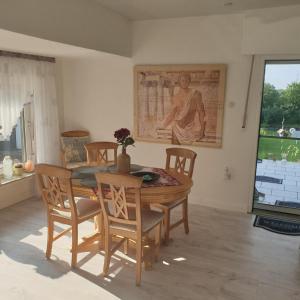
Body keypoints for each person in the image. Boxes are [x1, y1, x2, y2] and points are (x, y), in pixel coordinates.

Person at [161, 73, 206, 144]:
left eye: (187, 80)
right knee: (174, 149)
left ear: (189, 81)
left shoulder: (195, 94)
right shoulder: (176, 97)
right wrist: (163, 126)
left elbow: (201, 112)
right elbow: (172, 115)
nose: (185, 82)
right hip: (176, 129)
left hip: (191, 129)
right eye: (183, 80)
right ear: (179, 82)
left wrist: (202, 130)